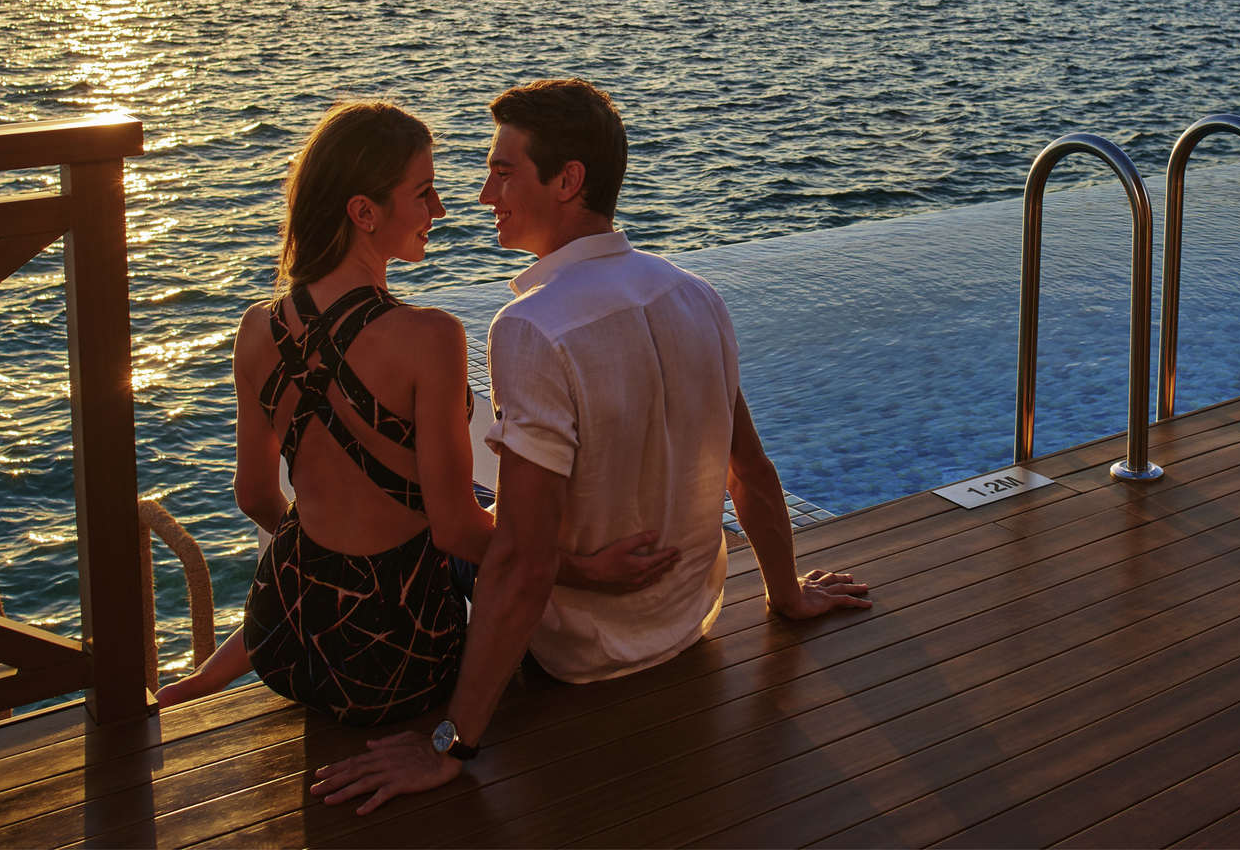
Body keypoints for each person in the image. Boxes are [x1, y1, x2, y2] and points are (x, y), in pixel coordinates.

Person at [315, 79, 869, 810]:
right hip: (684, 624)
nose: (483, 195)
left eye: (503, 172)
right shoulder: (697, 296)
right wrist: (786, 596)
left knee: (426, 514)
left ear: (567, 181)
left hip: (578, 653)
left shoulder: (531, 329)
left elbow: (522, 558)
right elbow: (750, 472)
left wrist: (450, 742)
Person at [157, 100, 676, 724]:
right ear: (364, 212)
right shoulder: (430, 338)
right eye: (424, 193)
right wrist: (588, 571)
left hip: (284, 640)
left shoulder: (255, 329)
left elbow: (254, 496)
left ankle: (203, 679)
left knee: (364, 530)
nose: (441, 210)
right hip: (393, 662)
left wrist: (336, 536)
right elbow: (457, 532)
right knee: (499, 523)